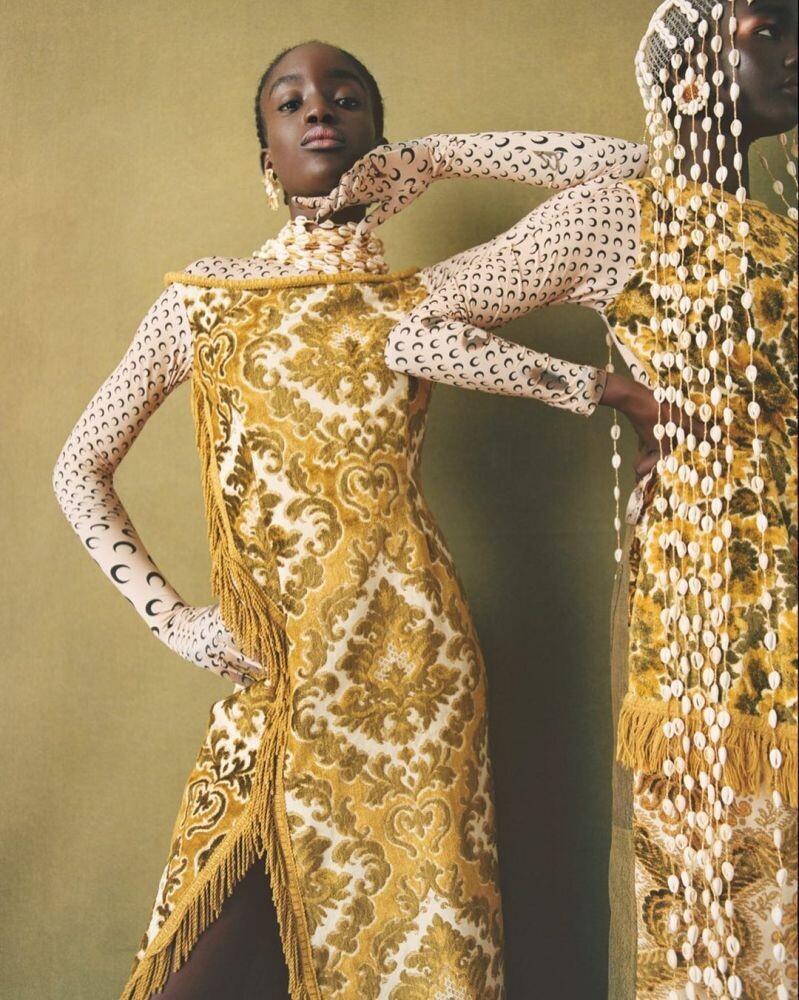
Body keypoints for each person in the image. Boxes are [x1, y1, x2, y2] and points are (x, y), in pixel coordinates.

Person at [52, 40, 650, 1000]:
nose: (319, 112)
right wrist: (177, 622)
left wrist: (439, 155)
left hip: (415, 672)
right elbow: (77, 468)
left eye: (346, 99)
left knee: (415, 956)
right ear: (267, 158)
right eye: (290, 104)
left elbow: (628, 173)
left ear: (380, 140)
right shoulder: (203, 303)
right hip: (281, 676)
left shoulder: (420, 302)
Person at [308, 1, 798, 996]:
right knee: (728, 876)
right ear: (696, 73)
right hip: (711, 592)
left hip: (784, 563)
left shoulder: (773, 230)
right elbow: (416, 331)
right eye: (770, 31)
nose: (795, 52)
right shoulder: (622, 214)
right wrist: (611, 391)